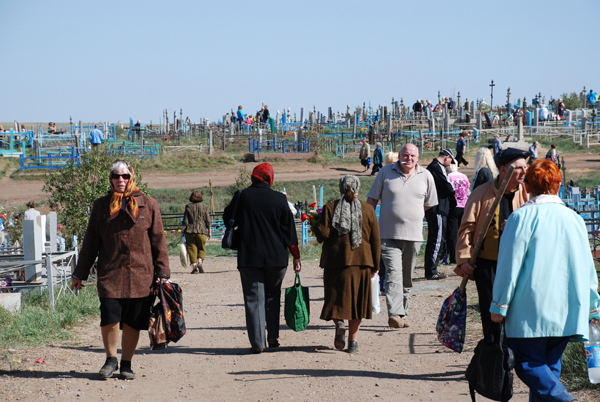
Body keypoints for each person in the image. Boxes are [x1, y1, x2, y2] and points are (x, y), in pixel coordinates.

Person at [490, 160, 600, 402]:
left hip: (530, 309)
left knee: (528, 364)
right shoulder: (575, 219)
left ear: (527, 186)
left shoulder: (521, 218)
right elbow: (587, 265)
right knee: (550, 366)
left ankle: (564, 399)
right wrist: (594, 304)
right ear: (558, 186)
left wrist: (499, 304)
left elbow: (509, 266)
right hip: (568, 308)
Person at [71, 159, 170, 380]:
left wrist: (162, 273)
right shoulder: (100, 206)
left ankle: (126, 363)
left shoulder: (149, 204)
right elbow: (90, 243)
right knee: (109, 316)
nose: (120, 180)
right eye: (116, 176)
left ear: (132, 177)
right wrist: (79, 273)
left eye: (125, 176)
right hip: (110, 273)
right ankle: (110, 359)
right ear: (111, 179)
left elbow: (159, 242)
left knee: (133, 321)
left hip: (140, 274)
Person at [223, 163, 301, 354]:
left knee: (253, 299)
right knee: (273, 296)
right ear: (269, 178)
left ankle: (258, 343)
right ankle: (272, 337)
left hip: (249, 257)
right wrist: (296, 256)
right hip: (277, 258)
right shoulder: (280, 199)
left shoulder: (242, 196)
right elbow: (289, 233)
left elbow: (227, 219)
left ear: (254, 177)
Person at [456, 148, 530, 342]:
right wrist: (464, 257)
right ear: (504, 169)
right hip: (488, 266)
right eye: (519, 168)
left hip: (518, 265)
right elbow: (466, 227)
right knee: (490, 312)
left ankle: (512, 354)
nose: (524, 172)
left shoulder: (528, 194)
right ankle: (493, 354)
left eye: (526, 167)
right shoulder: (482, 193)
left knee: (516, 312)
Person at [366, 144, 438, 328]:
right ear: (399, 156)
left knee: (406, 275)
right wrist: (369, 222)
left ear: (418, 157)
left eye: (412, 155)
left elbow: (429, 203)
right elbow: (372, 199)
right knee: (393, 273)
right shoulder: (385, 172)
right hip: (388, 234)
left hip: (414, 236)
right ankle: (395, 313)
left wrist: (411, 214)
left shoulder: (426, 176)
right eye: (405, 155)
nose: (409, 158)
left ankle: (402, 313)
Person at [315, 175, 380, 354]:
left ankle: (339, 323)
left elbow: (323, 235)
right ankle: (353, 342)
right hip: (362, 263)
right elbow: (375, 239)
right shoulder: (368, 210)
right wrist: (376, 264)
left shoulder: (329, 208)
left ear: (340, 188)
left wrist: (317, 224)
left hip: (335, 263)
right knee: (358, 303)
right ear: (357, 188)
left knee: (334, 298)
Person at [424, 149, 456, 280]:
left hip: (437, 208)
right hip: (437, 208)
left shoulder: (434, 167)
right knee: (437, 239)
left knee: (436, 238)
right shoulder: (437, 167)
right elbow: (448, 187)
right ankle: (432, 271)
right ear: (447, 157)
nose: (450, 163)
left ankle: (431, 269)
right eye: (450, 161)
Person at [181, 191, 211, 274]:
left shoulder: (188, 207)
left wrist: (182, 232)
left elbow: (185, 221)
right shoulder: (205, 207)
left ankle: (194, 268)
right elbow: (208, 220)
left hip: (190, 231)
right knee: (201, 248)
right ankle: (200, 262)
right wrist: (209, 231)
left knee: (191, 249)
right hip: (202, 230)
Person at [445, 164, 469, 265]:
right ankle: (463, 255)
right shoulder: (464, 176)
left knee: (452, 233)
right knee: (462, 232)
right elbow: (467, 189)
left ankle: (454, 257)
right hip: (464, 205)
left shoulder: (448, 177)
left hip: (453, 207)